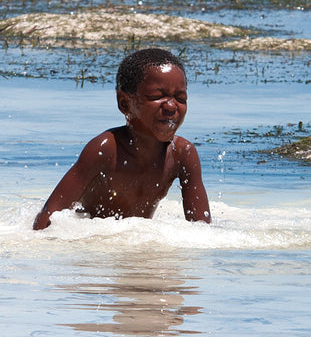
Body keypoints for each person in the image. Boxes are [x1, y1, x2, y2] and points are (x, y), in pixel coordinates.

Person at [33, 48, 211, 230]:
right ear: (124, 103)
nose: (171, 106)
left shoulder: (182, 154)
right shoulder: (105, 150)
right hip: (92, 244)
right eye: (157, 97)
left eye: (180, 98)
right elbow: (46, 221)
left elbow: (202, 231)